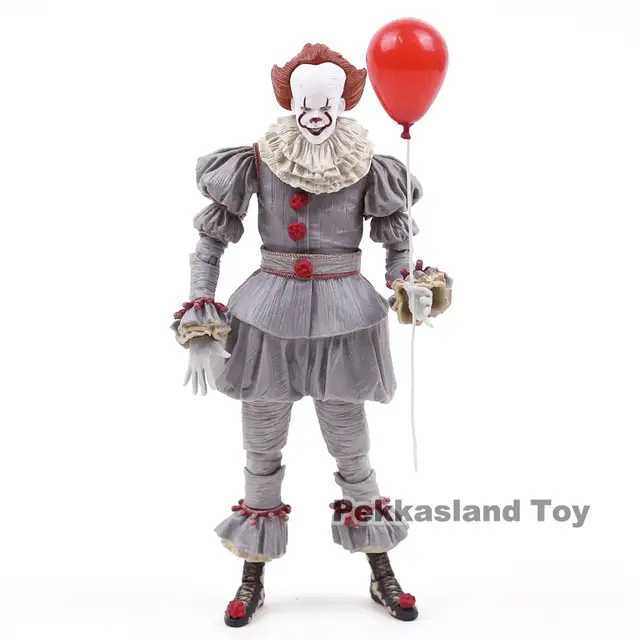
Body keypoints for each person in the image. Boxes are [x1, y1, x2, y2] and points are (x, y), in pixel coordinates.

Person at [172, 43, 452, 627]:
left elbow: (397, 245)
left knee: (351, 449)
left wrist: (409, 284)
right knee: (261, 449)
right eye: (305, 99)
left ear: (345, 103)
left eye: (327, 100)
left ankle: (380, 567)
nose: (316, 111)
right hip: (267, 317)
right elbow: (210, 243)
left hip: (343, 319)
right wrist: (201, 321)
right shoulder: (256, 160)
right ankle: (252, 573)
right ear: (290, 100)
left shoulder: (370, 165)